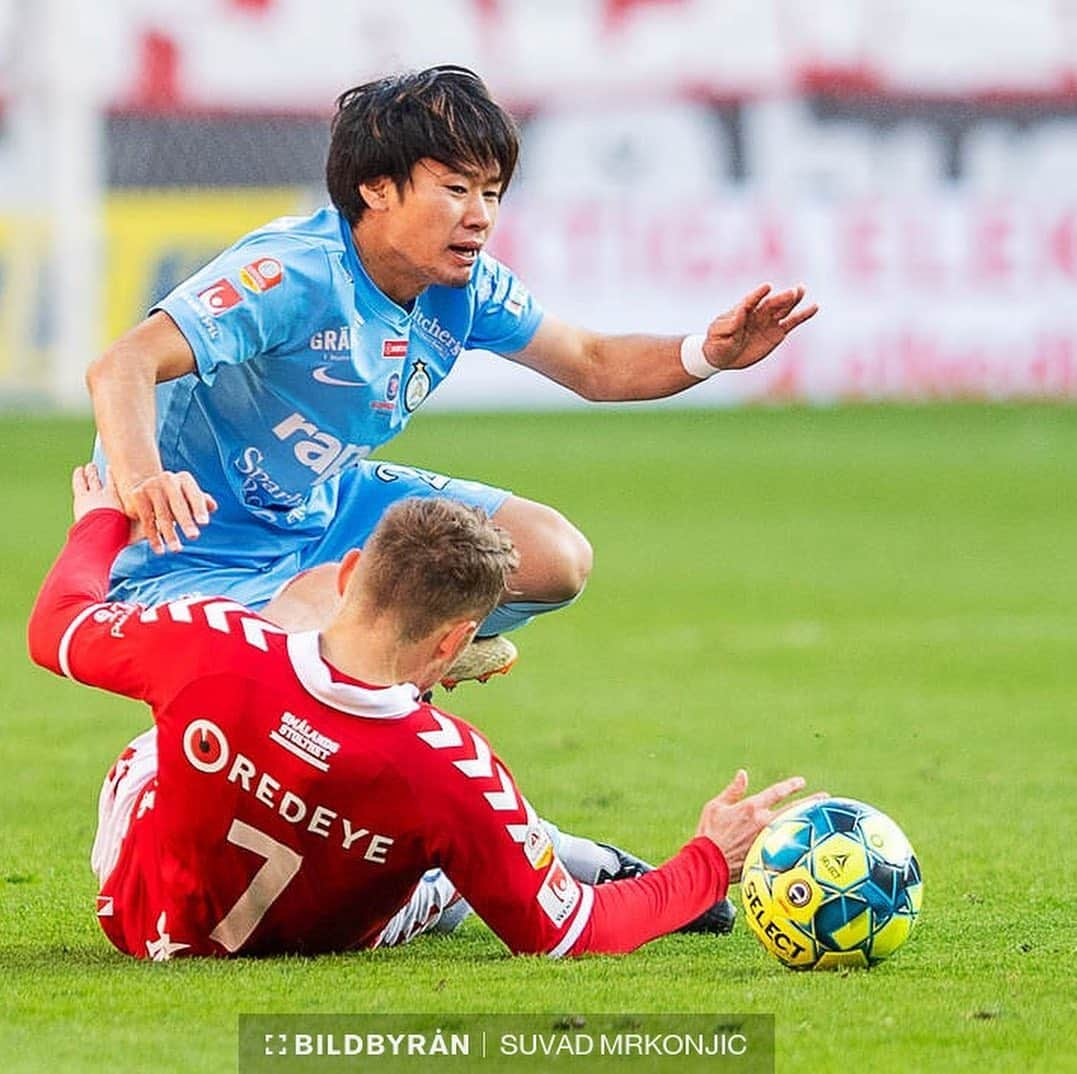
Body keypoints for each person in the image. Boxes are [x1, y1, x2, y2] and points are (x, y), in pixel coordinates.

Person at [85, 64, 818, 685]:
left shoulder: (463, 289)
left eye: (491, 192)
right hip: (194, 552)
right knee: (317, 646)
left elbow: (592, 365)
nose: (480, 217)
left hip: (322, 507)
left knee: (550, 557)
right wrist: (144, 479)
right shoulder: (292, 273)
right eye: (456, 189)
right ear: (376, 188)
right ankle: (373, 665)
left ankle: (388, 653)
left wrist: (706, 353)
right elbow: (123, 363)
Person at [27, 466, 821, 960]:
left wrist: (100, 520)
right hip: (335, 929)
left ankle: (356, 665)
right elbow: (571, 932)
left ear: (345, 570)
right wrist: (709, 858)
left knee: (161, 742)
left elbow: (54, 628)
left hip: (136, 919)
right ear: (457, 642)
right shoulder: (454, 765)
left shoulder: (207, 645)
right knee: (447, 864)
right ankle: (522, 835)